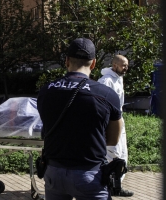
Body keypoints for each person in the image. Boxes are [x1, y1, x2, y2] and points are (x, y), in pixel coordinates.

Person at [37, 38, 123, 200]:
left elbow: (46, 128)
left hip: (54, 171)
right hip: (89, 174)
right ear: (93, 64)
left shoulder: (46, 91)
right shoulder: (106, 94)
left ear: (67, 61)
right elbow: (113, 139)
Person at [98, 54, 134, 197]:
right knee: (113, 154)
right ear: (114, 65)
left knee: (122, 155)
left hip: (118, 119)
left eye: (126, 64)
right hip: (110, 121)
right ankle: (109, 186)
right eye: (123, 65)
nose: (126, 67)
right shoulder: (106, 81)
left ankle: (116, 185)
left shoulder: (118, 78)